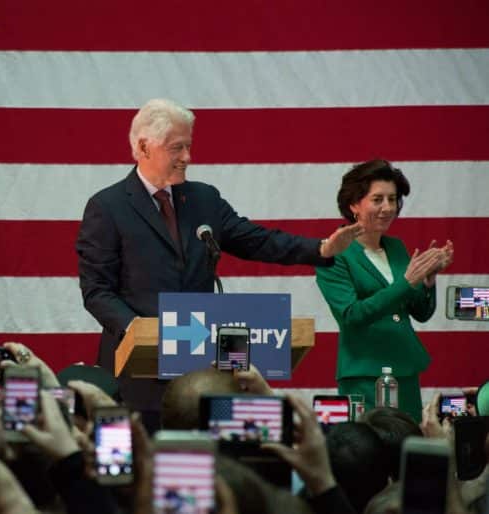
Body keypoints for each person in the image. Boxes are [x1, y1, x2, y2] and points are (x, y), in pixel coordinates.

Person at [76, 98, 360, 427]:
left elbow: (257, 240)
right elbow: (97, 290)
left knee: (208, 454)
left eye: (189, 146)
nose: (188, 157)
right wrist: (138, 331)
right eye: (177, 147)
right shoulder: (107, 207)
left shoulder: (204, 199)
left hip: (202, 376)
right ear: (143, 147)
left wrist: (322, 248)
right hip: (137, 379)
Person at [315, 159, 454, 422]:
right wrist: (406, 282)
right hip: (364, 373)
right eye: (377, 199)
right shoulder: (334, 253)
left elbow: (421, 312)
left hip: (405, 368)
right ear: (353, 204)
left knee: (409, 443)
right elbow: (351, 316)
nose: (388, 207)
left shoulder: (396, 247)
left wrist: (428, 279)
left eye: (393, 199)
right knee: (370, 445)